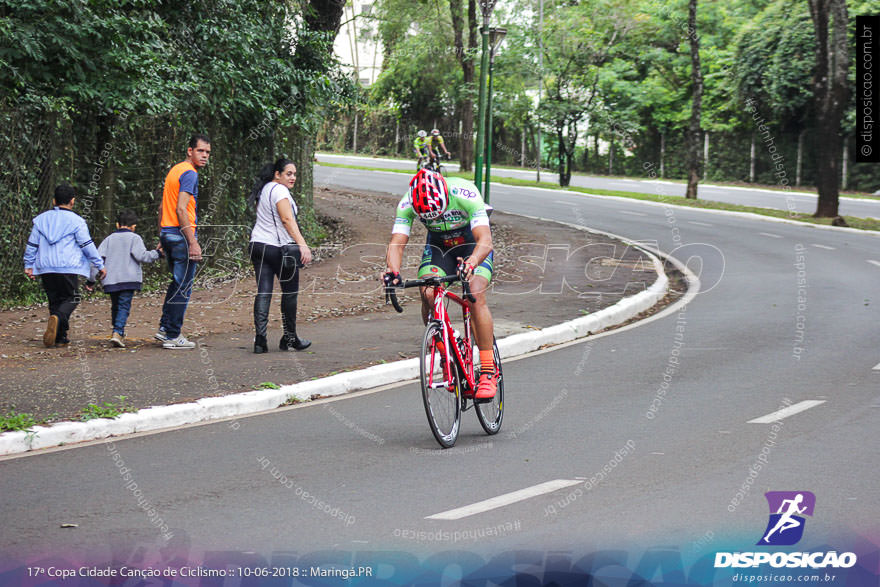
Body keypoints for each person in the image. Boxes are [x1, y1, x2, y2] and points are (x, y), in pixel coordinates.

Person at [383, 169, 498, 399]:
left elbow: (485, 240)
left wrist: (473, 262)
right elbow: (397, 242)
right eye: (429, 217)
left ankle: (487, 370)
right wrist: (392, 271)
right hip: (439, 247)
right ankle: (446, 349)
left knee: (474, 293)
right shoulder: (406, 202)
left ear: (446, 195)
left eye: (438, 214)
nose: (434, 219)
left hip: (470, 244)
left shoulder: (465, 192)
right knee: (427, 290)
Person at [23, 184, 106, 347]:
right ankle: (59, 320)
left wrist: (29, 264)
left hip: (46, 267)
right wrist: (99, 264)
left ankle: (60, 337)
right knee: (71, 298)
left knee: (55, 300)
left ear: (54, 201)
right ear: (73, 201)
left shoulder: (41, 220)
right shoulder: (77, 221)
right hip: (68, 266)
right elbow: (86, 245)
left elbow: (32, 244)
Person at [248, 158, 313, 353]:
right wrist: (303, 245)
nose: (292, 177)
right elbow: (286, 219)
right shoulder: (280, 191)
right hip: (279, 249)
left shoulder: (265, 189)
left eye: (294, 174)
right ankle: (290, 338)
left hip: (258, 245)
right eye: (288, 174)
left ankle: (260, 340)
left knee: (264, 291)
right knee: (290, 292)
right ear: (278, 174)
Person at [155, 134, 210, 349]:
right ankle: (173, 335)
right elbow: (180, 208)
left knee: (176, 284)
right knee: (183, 287)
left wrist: (161, 235)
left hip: (168, 233)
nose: (204, 155)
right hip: (180, 235)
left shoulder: (174, 170)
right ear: (190, 151)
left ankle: (164, 328)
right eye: (200, 151)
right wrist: (193, 242)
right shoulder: (189, 173)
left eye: (207, 152)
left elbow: (162, 207)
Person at [88, 209, 162, 348]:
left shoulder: (108, 239)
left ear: (117, 224)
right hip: (129, 278)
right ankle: (118, 332)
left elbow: (96, 259)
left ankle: (117, 330)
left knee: (116, 305)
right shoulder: (135, 238)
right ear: (134, 226)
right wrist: (157, 254)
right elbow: (142, 256)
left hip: (110, 279)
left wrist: (91, 279)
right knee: (124, 306)